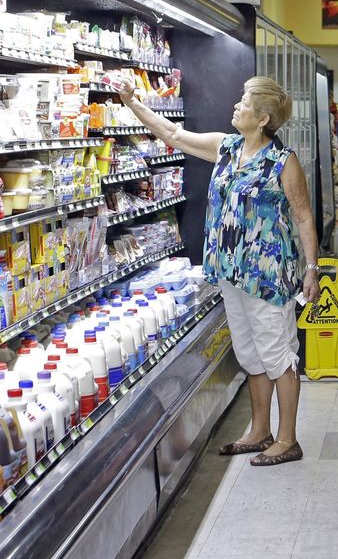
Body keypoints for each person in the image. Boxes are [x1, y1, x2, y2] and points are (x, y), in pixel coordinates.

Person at [118, 76, 321, 465]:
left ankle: (288, 438)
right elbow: (174, 134)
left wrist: (311, 270)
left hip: (267, 274)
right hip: (230, 271)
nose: (235, 106)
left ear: (262, 118)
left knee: (277, 354)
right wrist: (133, 104)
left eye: (243, 102)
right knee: (250, 353)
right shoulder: (225, 148)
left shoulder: (282, 162)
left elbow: (303, 216)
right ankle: (260, 430)